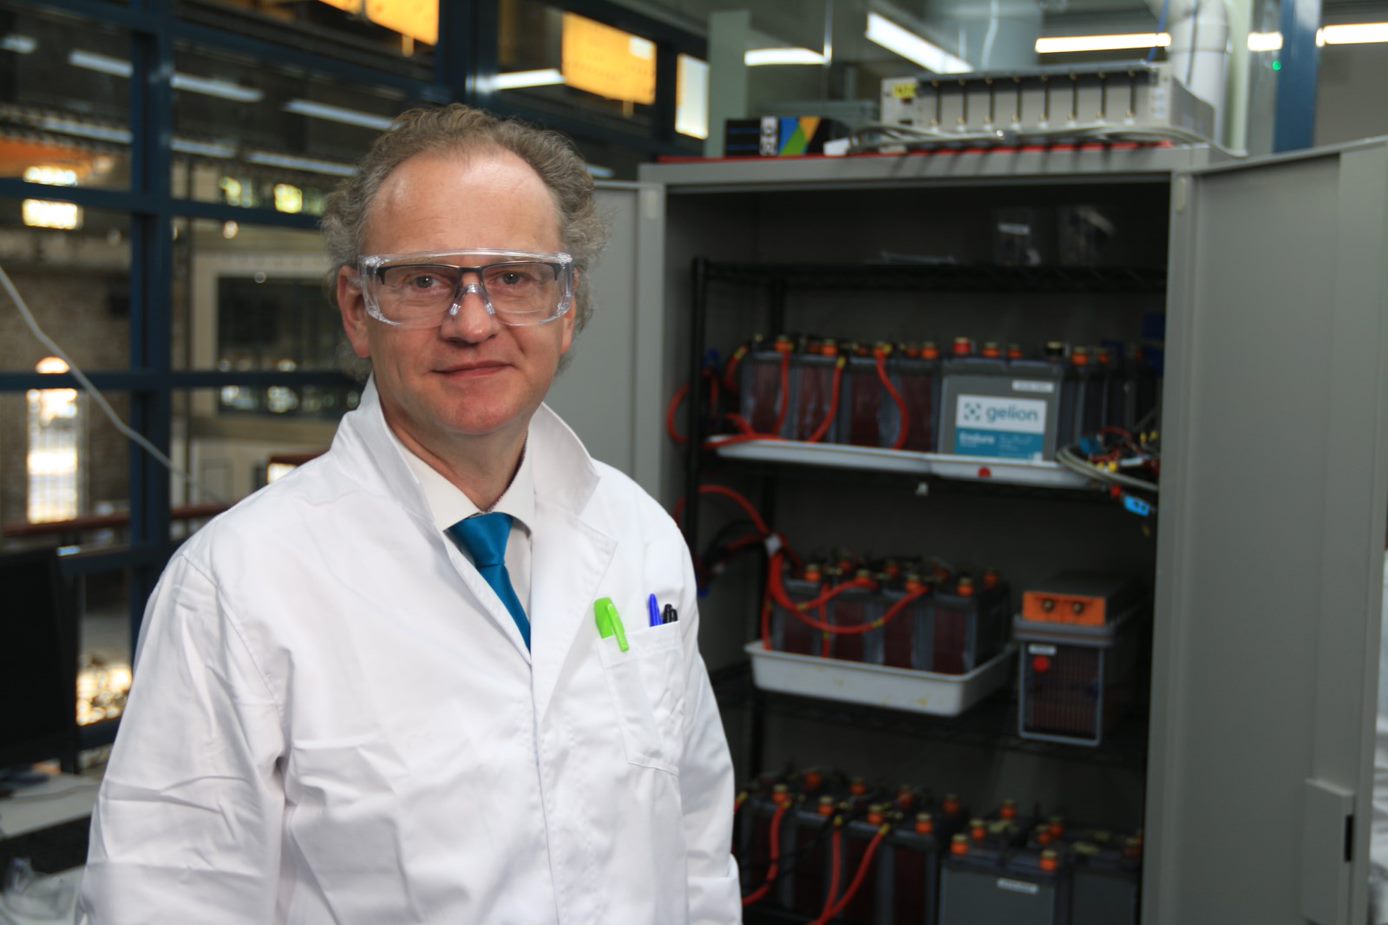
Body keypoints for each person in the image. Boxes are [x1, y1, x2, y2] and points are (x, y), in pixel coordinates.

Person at [79, 104, 741, 924]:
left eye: (514, 277)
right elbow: (163, 902)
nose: (472, 322)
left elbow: (697, 844)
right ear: (357, 310)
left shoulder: (643, 541)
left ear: (566, 308)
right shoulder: (238, 585)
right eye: (424, 280)